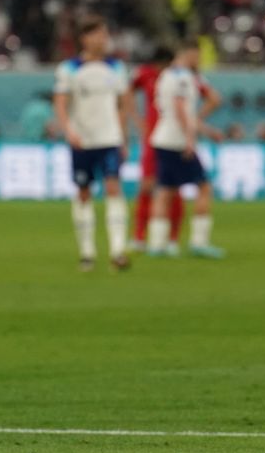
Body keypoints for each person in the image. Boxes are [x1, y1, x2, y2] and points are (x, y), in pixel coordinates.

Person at [52, 14, 132, 271]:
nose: (103, 39)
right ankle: (87, 252)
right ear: (84, 38)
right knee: (84, 193)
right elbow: (61, 103)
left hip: (109, 138)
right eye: (98, 34)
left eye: (105, 34)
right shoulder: (69, 69)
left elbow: (123, 105)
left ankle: (118, 250)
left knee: (113, 188)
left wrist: (123, 137)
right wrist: (68, 131)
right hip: (82, 140)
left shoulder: (116, 68)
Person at [131, 46, 222, 253]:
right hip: (177, 141)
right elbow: (181, 109)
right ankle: (199, 242)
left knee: (164, 189)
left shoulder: (165, 75)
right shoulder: (183, 77)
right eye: (197, 55)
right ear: (189, 55)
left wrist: (205, 130)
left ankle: (157, 243)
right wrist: (190, 138)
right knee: (204, 187)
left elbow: (175, 111)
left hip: (161, 138)